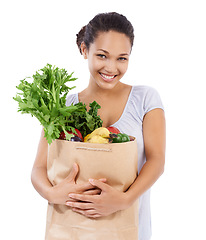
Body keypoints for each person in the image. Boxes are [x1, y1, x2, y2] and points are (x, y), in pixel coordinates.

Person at [31, 12, 166, 240]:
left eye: (122, 58)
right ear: (85, 50)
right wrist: (53, 194)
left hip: (130, 228)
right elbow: (38, 168)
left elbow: (157, 160)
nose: (111, 68)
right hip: (72, 229)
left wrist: (124, 199)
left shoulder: (145, 99)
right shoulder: (63, 106)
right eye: (102, 56)